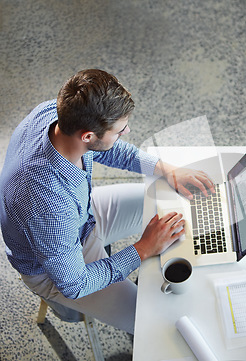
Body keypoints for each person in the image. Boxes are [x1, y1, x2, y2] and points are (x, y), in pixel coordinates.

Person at [0, 69, 214, 334]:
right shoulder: (47, 204)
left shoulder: (56, 114)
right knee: (158, 325)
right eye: (120, 130)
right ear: (87, 135)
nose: (127, 131)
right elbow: (74, 284)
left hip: (80, 216)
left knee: (162, 199)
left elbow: (110, 149)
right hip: (59, 267)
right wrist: (143, 249)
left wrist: (165, 169)